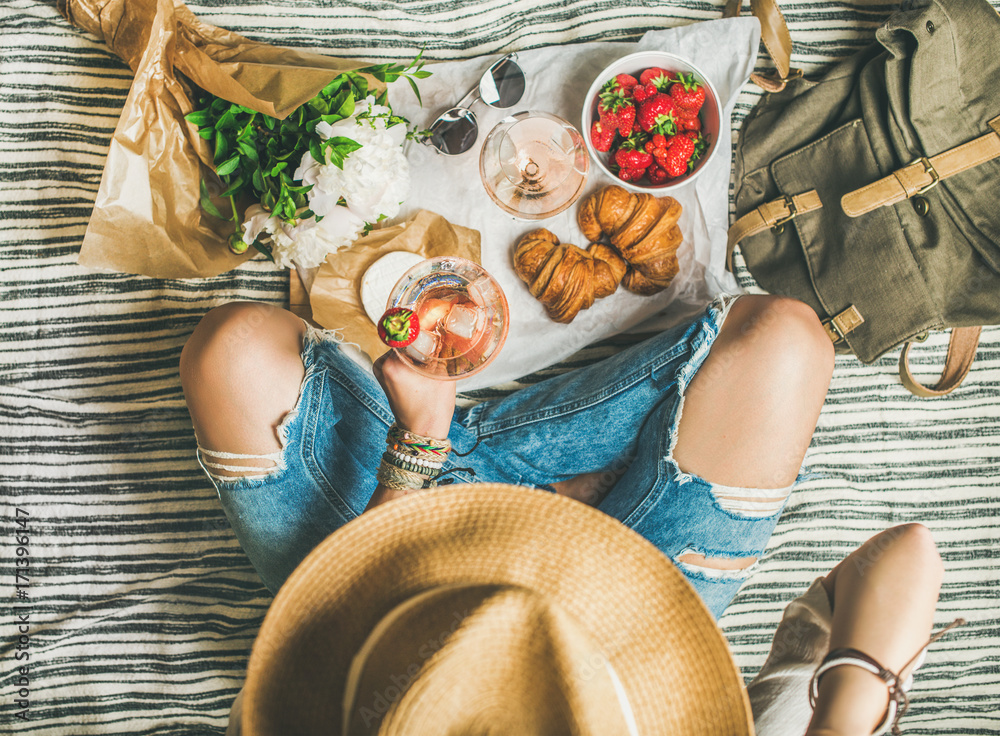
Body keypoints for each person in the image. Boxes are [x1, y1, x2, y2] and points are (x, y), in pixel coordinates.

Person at [180, 294, 834, 617]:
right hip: (613, 599)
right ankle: (581, 481)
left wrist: (420, 445)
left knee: (232, 349)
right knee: (786, 339)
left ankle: (457, 438)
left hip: (385, 589)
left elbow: (346, 620)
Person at [223, 483, 953, 736]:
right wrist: (843, 720)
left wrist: (411, 467)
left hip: (402, 609)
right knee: (781, 345)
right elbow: (905, 554)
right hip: (623, 644)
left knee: (235, 357)